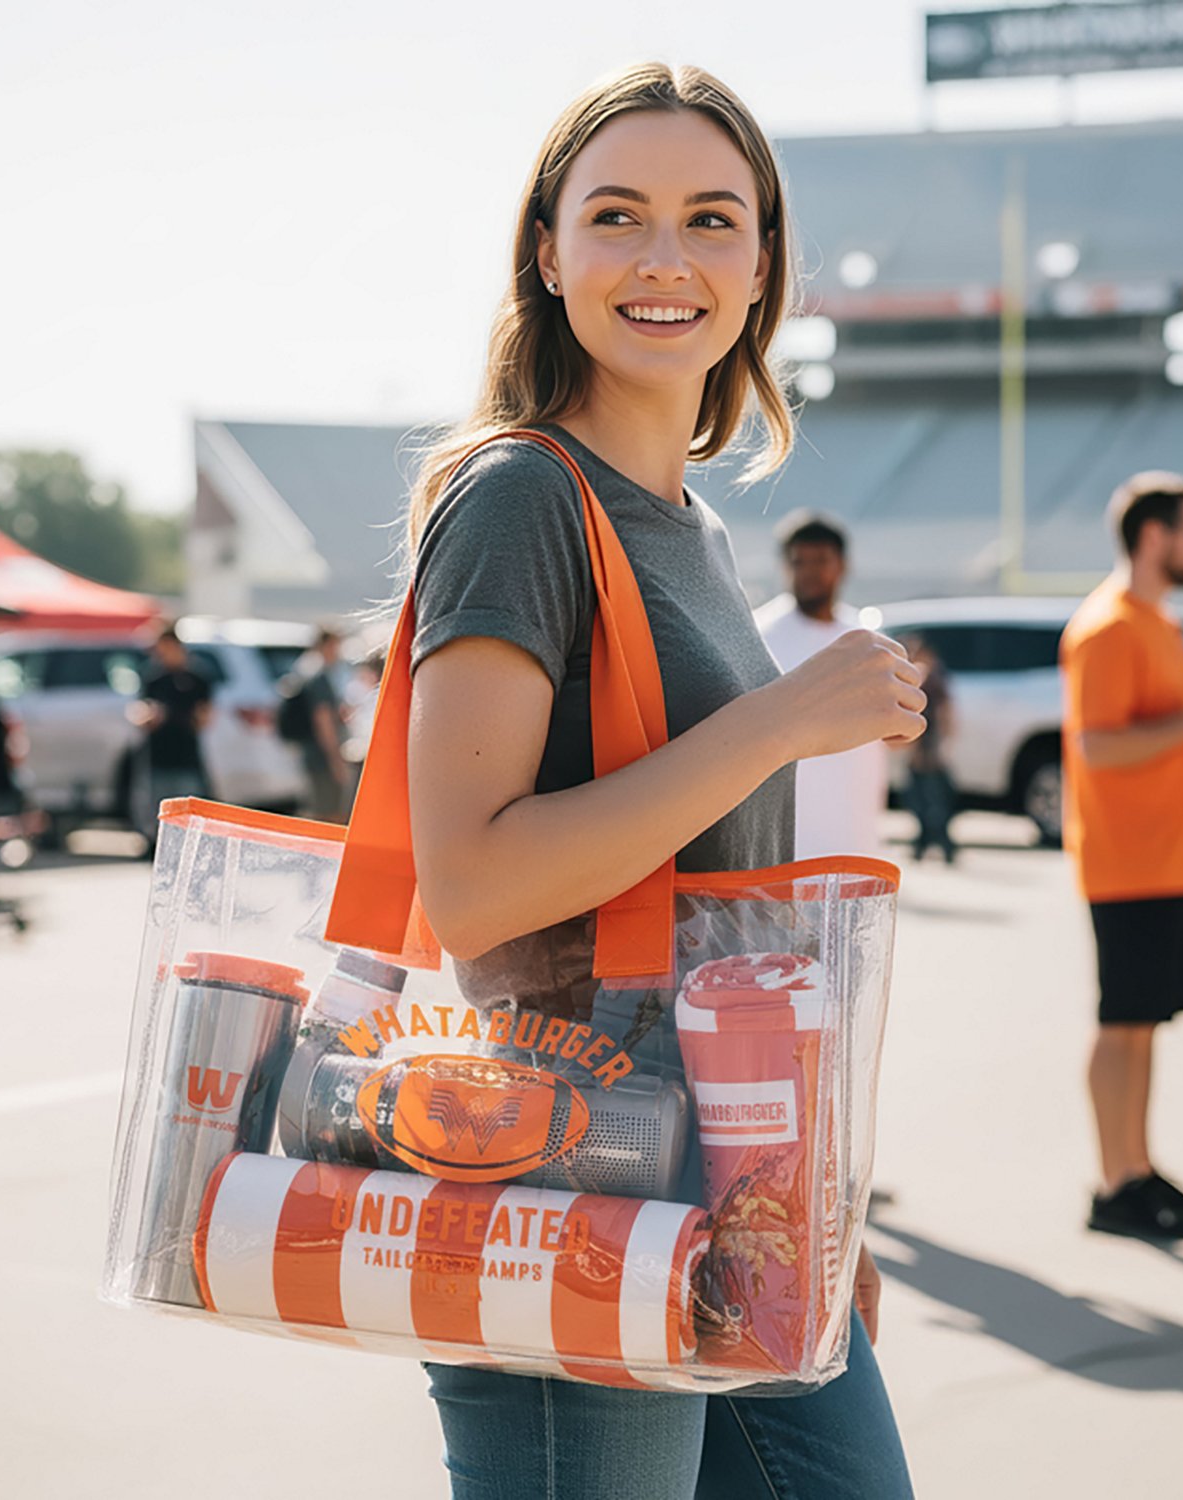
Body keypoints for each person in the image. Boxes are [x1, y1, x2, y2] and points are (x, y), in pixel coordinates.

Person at [402, 63, 924, 1500]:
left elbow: (719, 923)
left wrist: (810, 1191)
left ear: (762, 269)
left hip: (730, 1172)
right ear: (549, 253)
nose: (664, 259)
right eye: (617, 216)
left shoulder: (688, 527)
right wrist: (777, 722)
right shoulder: (519, 497)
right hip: (574, 1168)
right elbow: (475, 884)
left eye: (711, 220)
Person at [1061, 471, 1183, 1240]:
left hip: (1170, 857)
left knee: (1143, 1024)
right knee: (1121, 1021)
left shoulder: (1158, 622)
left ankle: (1138, 1168)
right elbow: (1098, 746)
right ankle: (1113, 1185)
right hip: (1128, 860)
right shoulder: (1108, 626)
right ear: (1153, 536)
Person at [755, 512, 888, 857]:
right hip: (783, 846)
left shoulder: (867, 637)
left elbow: (893, 732)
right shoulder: (758, 634)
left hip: (853, 839)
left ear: (843, 565)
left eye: (821, 560)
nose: (810, 571)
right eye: (800, 561)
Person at [137, 626, 214, 823]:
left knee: (187, 809)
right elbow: (142, 709)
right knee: (158, 807)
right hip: (158, 752)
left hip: (186, 752)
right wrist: (149, 717)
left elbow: (205, 716)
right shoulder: (153, 677)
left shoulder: (197, 678)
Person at [902, 637, 957, 863]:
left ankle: (938, 845)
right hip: (927, 749)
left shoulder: (929, 678)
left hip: (928, 750)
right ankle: (931, 845)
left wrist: (938, 746)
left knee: (929, 802)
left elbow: (942, 715)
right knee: (926, 801)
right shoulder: (936, 678)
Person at [301, 626, 353, 822]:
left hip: (317, 754)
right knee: (329, 813)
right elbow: (323, 721)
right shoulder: (319, 678)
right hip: (322, 756)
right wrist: (335, 760)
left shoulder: (315, 674)